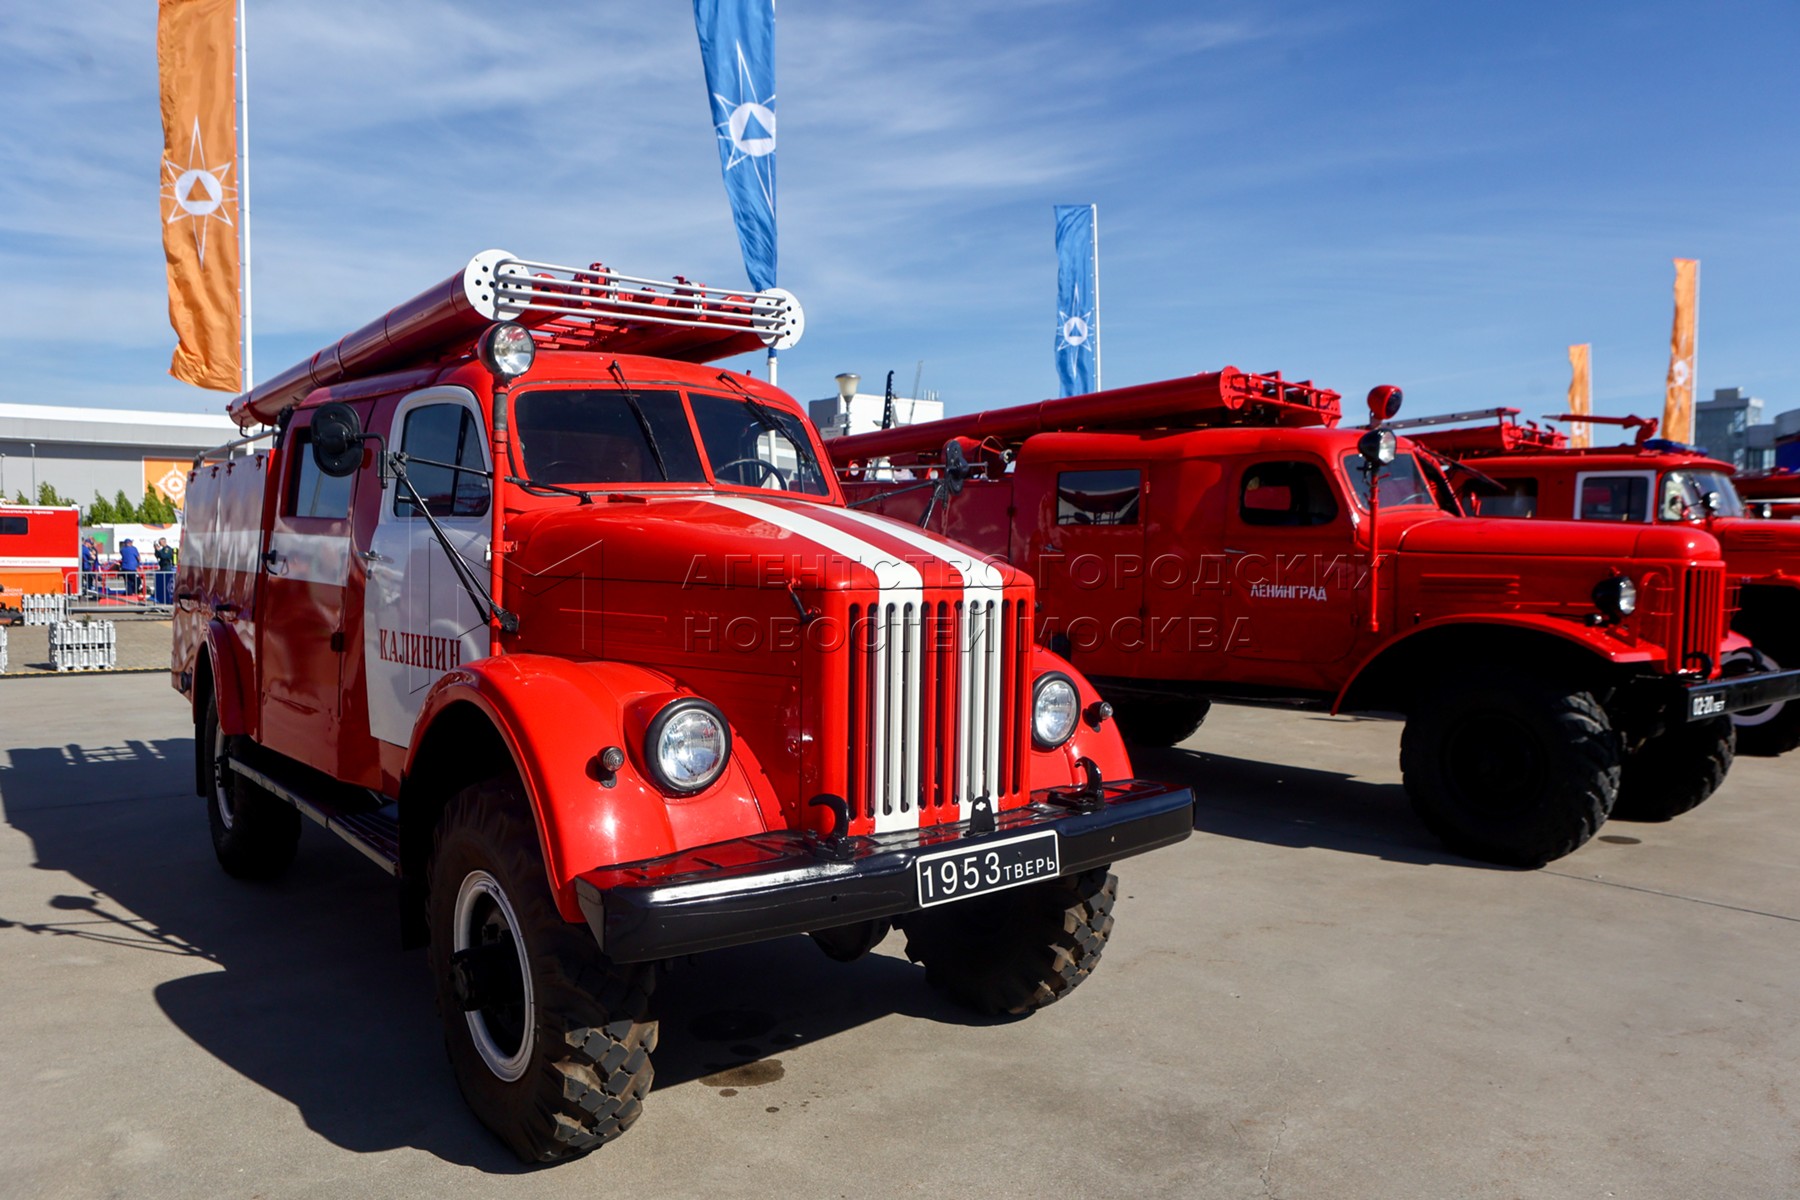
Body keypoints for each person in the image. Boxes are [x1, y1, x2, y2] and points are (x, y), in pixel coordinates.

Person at [153, 538, 176, 604]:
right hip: (162, 567)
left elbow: (164, 556)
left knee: (166, 584)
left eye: (160, 542)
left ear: (164, 542)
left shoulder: (167, 549)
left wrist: (159, 551)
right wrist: (156, 550)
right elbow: (158, 556)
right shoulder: (162, 549)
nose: (160, 544)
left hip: (167, 567)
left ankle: (168, 599)